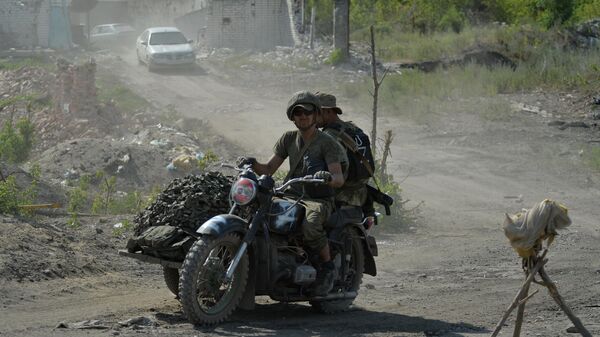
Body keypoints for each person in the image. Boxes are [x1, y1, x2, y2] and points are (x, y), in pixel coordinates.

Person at [238, 90, 348, 296]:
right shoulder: (288, 139)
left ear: (316, 115)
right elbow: (269, 168)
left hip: (318, 199)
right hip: (290, 194)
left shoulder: (327, 143)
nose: (303, 116)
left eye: (307, 112)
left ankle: (327, 267)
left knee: (311, 222)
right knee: (253, 210)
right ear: (292, 117)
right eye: (298, 113)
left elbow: (339, 179)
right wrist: (252, 164)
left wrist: (326, 177)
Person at [315, 92, 376, 225]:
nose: (312, 117)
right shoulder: (353, 128)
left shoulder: (329, 136)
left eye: (316, 113)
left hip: (341, 195)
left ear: (328, 112)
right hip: (361, 193)